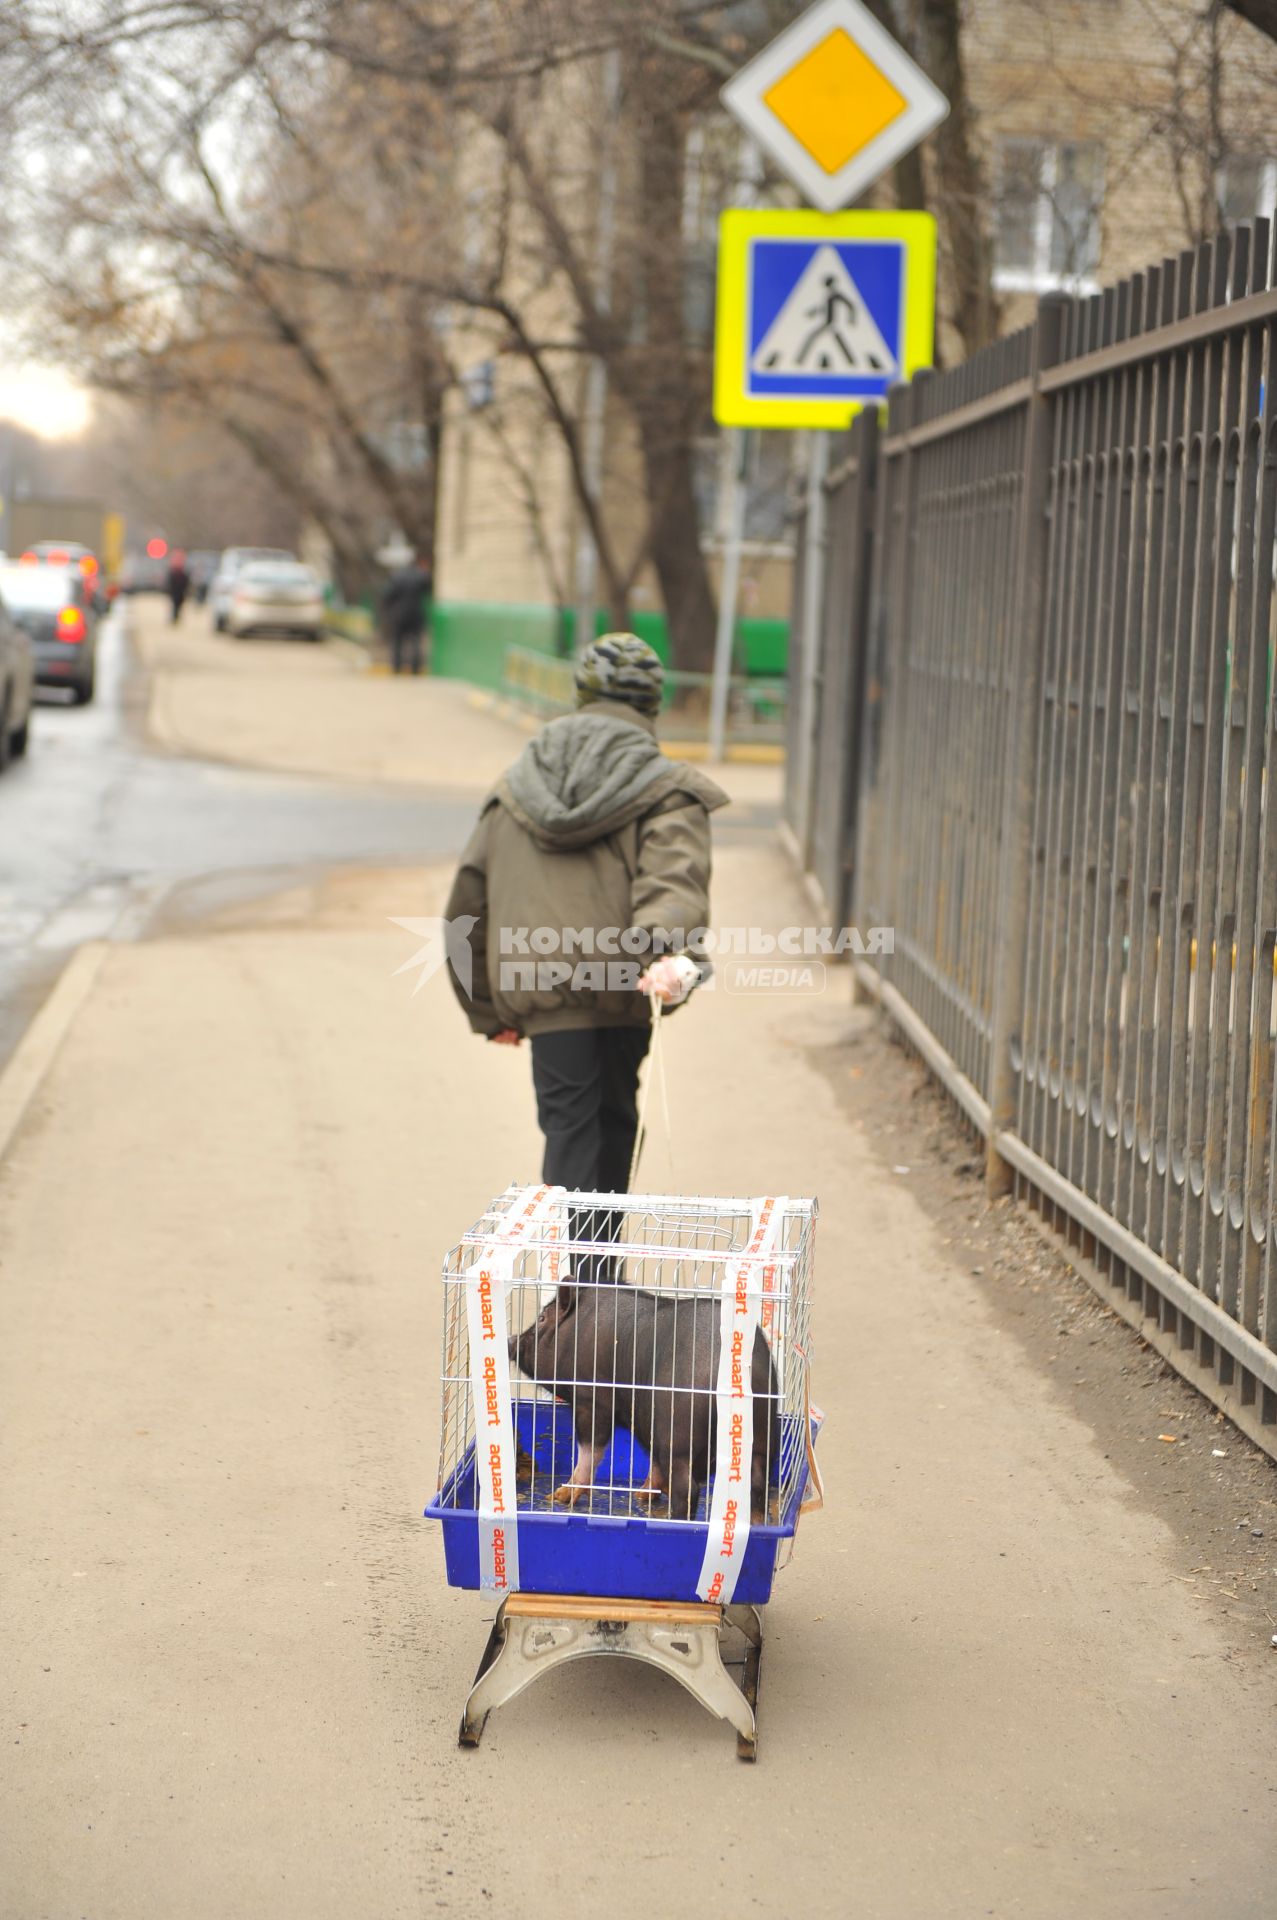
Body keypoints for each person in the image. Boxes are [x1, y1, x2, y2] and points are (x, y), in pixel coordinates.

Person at [444, 633, 727, 1261]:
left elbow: (468, 905)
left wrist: (487, 1009)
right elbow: (673, 882)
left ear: (579, 696)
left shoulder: (514, 788)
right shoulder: (666, 789)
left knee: (569, 1127)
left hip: (545, 996)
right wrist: (663, 953)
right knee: (615, 1120)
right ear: (652, 706)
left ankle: (583, 1292)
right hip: (627, 985)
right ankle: (593, 1287)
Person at [381, 553, 433, 674]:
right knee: (415, 642)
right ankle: (415, 667)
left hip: (399, 613)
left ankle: (396, 667)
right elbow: (428, 590)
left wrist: (387, 608)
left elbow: (389, 595)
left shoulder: (397, 576)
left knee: (397, 641)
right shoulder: (421, 575)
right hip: (416, 612)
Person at [166, 550, 191, 625]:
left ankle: (176, 618)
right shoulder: (173, 572)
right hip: (176, 592)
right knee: (175, 606)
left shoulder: (182, 573)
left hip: (180, 592)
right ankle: (174, 618)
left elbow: (186, 582)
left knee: (178, 606)